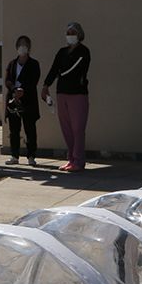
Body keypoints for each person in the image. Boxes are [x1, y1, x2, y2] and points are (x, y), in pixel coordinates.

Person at [41, 21, 91, 172]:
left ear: (79, 34)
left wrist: (60, 73)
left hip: (78, 94)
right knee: (66, 128)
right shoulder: (61, 52)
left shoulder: (84, 51)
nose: (70, 36)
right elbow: (54, 68)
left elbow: (72, 69)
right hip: (62, 93)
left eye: (73, 33)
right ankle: (71, 159)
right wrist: (45, 85)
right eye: (68, 33)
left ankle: (79, 160)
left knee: (77, 128)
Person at [3, 35, 40, 166]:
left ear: (29, 47)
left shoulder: (34, 64)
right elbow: (7, 80)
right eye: (20, 44)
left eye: (25, 44)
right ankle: (14, 156)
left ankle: (31, 156)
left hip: (28, 100)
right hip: (14, 101)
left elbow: (34, 80)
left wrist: (22, 90)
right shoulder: (12, 64)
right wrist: (14, 90)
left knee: (30, 129)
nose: (22, 47)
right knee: (14, 130)